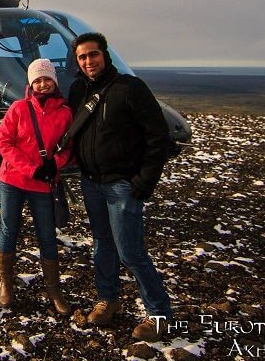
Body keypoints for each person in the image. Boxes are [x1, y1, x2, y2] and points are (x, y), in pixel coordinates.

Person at [67, 32, 173, 342]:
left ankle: (159, 314)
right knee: (102, 244)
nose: (89, 61)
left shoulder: (130, 88)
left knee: (131, 251)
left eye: (93, 55)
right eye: (83, 57)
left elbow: (158, 137)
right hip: (91, 183)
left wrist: (143, 181)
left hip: (122, 185)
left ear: (105, 55)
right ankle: (107, 299)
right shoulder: (77, 91)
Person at [0, 58, 73, 316]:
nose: (42, 84)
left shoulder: (65, 113)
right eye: (37, 80)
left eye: (47, 79)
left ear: (54, 82)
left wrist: (56, 164)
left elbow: (68, 148)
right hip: (13, 181)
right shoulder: (18, 108)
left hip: (43, 185)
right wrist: (32, 169)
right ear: (30, 83)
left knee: (47, 235)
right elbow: (4, 143)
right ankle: (6, 282)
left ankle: (54, 289)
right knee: (9, 229)